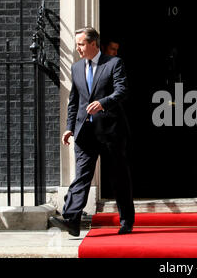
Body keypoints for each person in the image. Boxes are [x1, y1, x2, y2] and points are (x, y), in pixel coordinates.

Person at [50, 27, 134, 236]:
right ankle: (72, 220)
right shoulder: (77, 67)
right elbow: (74, 101)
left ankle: (126, 221)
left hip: (111, 132)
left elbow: (122, 91)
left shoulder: (113, 63)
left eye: (80, 44)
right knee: (82, 176)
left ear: (93, 44)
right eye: (77, 44)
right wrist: (69, 127)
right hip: (84, 132)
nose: (77, 48)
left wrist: (103, 103)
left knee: (118, 177)